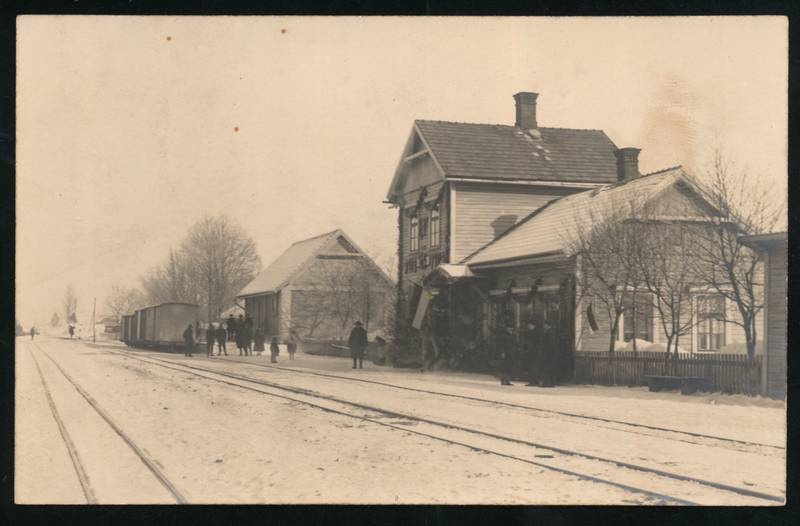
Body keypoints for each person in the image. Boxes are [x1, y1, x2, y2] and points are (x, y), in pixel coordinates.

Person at [523, 315, 540, 387]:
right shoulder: (536, 332)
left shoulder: (533, 333)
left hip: (533, 352)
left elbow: (531, 343)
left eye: (529, 325)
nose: (528, 326)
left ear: (532, 325)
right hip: (534, 352)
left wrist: (528, 349)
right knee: (534, 367)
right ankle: (534, 381)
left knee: (532, 367)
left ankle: (533, 381)